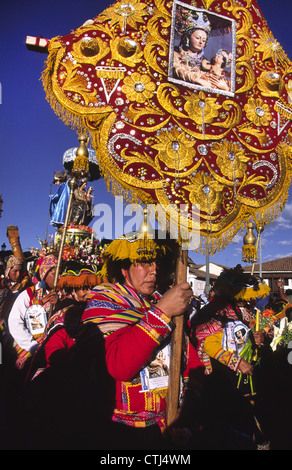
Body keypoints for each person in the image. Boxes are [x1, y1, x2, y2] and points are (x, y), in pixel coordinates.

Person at [81, 232, 204, 450]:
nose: (154, 270)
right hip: (124, 433)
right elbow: (120, 366)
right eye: (144, 262)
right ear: (123, 268)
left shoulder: (162, 302)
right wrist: (162, 312)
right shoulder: (105, 302)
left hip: (170, 422)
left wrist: (187, 410)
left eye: (157, 263)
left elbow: (189, 359)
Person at [191, 266, 271, 449]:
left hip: (246, 377)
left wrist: (257, 339)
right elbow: (210, 345)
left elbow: (246, 341)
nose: (245, 298)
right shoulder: (218, 311)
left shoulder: (245, 312)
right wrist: (236, 362)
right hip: (223, 376)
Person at [8, 254, 59, 371]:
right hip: (28, 346)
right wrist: (33, 346)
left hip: (51, 349)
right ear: (44, 274)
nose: (58, 277)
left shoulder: (61, 295)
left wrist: (58, 304)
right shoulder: (29, 294)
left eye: (59, 273)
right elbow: (15, 322)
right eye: (54, 273)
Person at [172, 8, 212, 84]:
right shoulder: (176, 55)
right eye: (197, 38)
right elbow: (178, 70)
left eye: (203, 40)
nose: (201, 42)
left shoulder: (205, 62)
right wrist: (196, 79)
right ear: (187, 38)